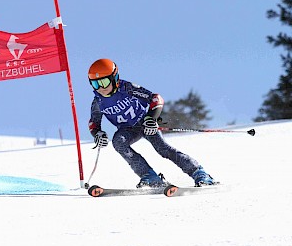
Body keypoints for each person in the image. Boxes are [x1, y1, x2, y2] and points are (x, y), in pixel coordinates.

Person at [88, 58, 215, 188]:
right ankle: (149, 177)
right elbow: (93, 123)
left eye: (104, 82)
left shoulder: (127, 88)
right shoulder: (98, 102)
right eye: (95, 84)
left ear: (114, 78)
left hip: (144, 122)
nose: (100, 88)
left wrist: (151, 118)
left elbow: (156, 98)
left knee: (163, 149)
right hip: (127, 129)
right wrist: (98, 134)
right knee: (118, 142)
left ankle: (199, 173)